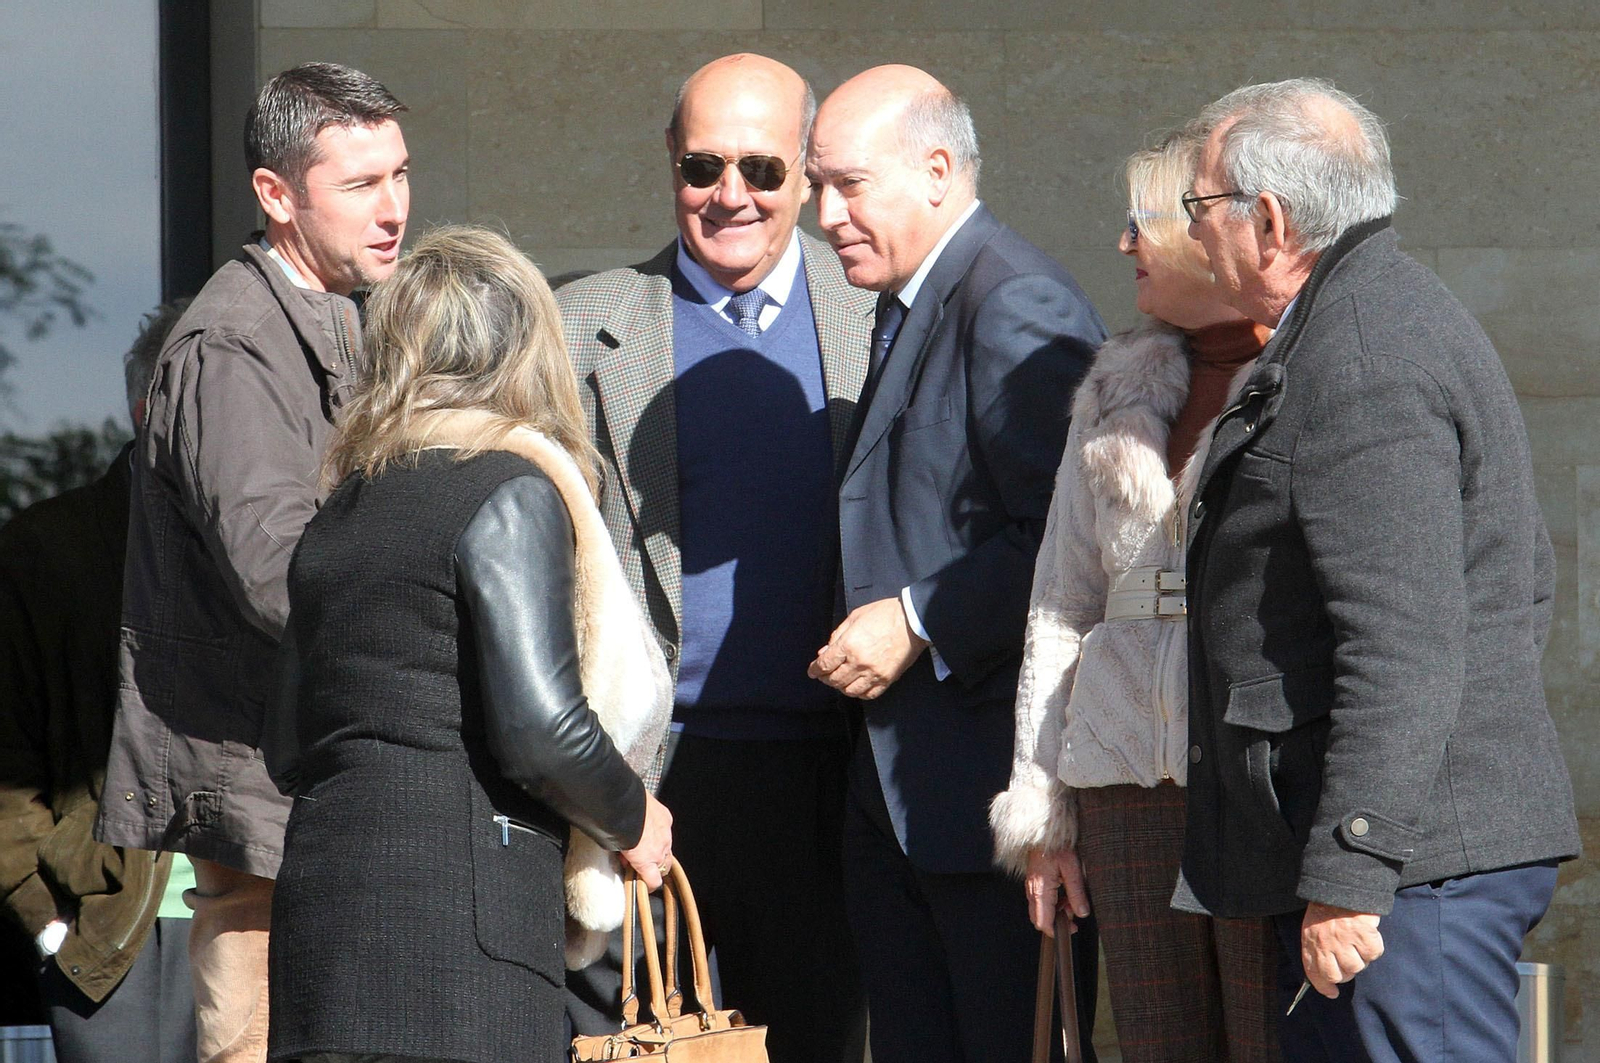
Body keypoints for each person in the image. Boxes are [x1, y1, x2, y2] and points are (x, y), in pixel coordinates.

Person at [1179, 78, 1580, 1062]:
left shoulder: (1361, 358)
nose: (1189, 234)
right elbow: (1515, 583)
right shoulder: (1363, 323)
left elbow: (1402, 644)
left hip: (1406, 879)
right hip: (1407, 859)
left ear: (1266, 220)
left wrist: (1355, 864)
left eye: (1197, 206)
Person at [264, 225, 673, 1063]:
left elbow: (284, 745)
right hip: (460, 945)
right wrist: (634, 816)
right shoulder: (508, 490)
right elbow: (542, 730)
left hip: (320, 933)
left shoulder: (339, 512)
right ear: (528, 352)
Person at [557, 52, 873, 1062]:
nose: (729, 195)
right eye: (702, 167)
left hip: (834, 778)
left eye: (762, 170)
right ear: (669, 163)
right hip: (650, 788)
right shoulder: (575, 329)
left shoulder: (883, 318)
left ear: (809, 175)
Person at [94, 62, 410, 1063]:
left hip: (305, 792)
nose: (395, 207)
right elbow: (278, 569)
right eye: (360, 185)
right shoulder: (232, 347)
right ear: (274, 195)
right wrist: (435, 608)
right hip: (266, 809)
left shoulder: (335, 311)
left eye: (400, 174)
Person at [804, 64, 1104, 1063]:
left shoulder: (1015, 302)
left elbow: (1073, 540)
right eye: (818, 185)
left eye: (848, 184)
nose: (823, 212)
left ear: (937, 170)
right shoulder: (908, 300)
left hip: (994, 815)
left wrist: (918, 616)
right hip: (901, 803)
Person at [989, 130, 1279, 1063]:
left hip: (1250, 772)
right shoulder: (1114, 383)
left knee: (1270, 1040)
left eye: (1141, 221)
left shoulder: (1302, 376)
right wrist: (1043, 814)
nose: (1123, 245)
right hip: (1123, 783)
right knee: (1157, 1046)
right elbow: (1062, 603)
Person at [0, 302, 197, 1063]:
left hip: (265, 911)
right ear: (151, 409)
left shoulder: (272, 537)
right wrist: (47, 916)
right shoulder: (45, 553)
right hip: (120, 930)